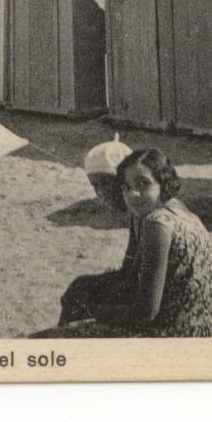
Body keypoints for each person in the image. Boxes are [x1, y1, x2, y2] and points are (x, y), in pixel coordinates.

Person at [50, 148, 212, 337]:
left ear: (162, 183)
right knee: (80, 290)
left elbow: (147, 311)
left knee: (67, 323)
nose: (133, 194)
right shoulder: (165, 211)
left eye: (142, 184)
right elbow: (132, 272)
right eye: (127, 186)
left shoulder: (156, 222)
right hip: (200, 326)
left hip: (178, 333)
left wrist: (98, 312)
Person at [56, 134, 134, 327]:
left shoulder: (146, 217)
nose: (100, 193)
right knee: (77, 290)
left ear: (124, 180)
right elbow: (130, 265)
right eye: (94, 185)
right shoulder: (135, 213)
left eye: (105, 183)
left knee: (80, 298)